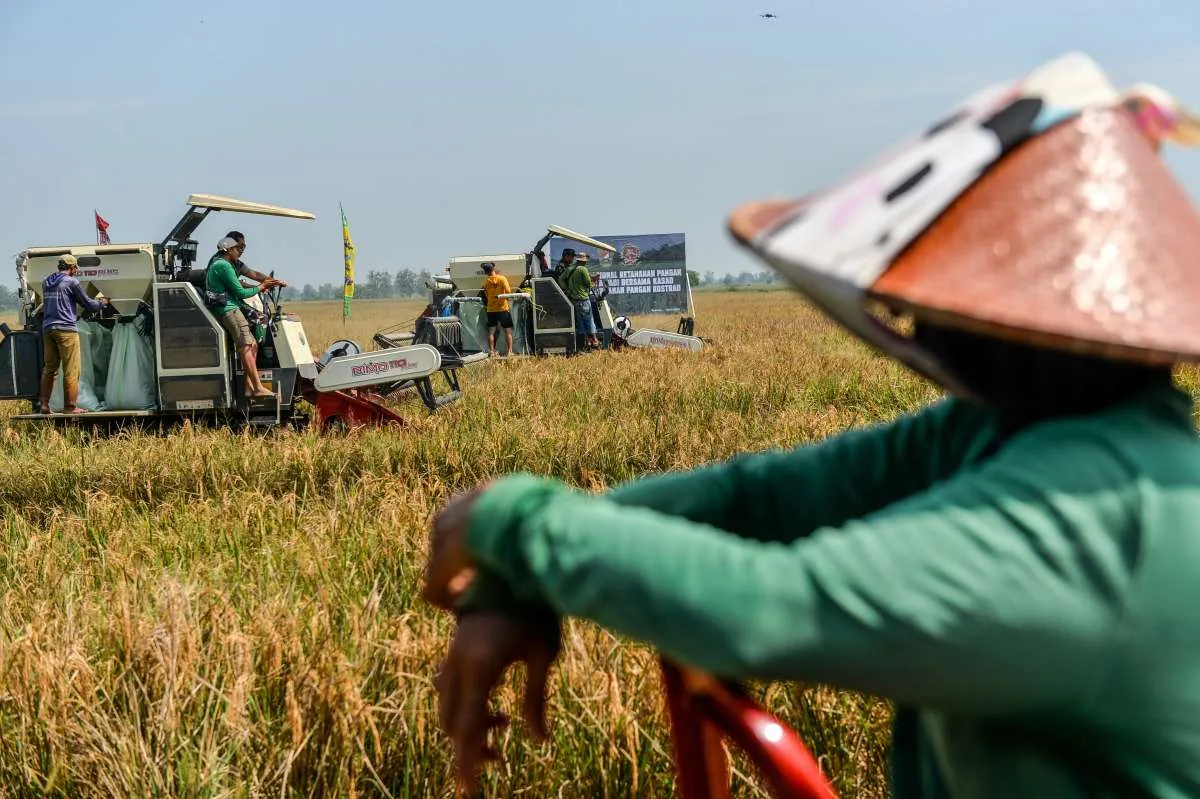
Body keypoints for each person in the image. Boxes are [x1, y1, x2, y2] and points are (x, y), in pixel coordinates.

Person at [419, 55, 1200, 797]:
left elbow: (771, 607)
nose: (916, 319)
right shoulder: (1004, 431)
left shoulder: (1103, 515)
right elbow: (758, 498)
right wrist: (511, 587)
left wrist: (510, 520)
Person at [206, 236, 281, 398]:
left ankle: (249, 387)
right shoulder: (223, 266)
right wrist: (262, 286)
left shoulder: (222, 263)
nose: (240, 252)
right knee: (246, 345)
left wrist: (271, 282)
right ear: (228, 249)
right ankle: (258, 387)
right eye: (238, 248)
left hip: (230, 307)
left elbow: (250, 277)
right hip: (229, 310)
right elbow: (241, 292)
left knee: (252, 344)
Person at [39, 254, 112, 414]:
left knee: (50, 368)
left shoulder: (46, 281)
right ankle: (70, 407)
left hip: (48, 328)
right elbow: (88, 304)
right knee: (72, 370)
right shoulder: (72, 282)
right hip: (66, 329)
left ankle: (44, 405)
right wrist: (103, 303)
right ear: (72, 268)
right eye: (75, 268)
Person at [555, 250, 600, 349]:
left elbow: (560, 279)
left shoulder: (570, 268)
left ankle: (585, 341)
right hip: (583, 299)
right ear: (584, 261)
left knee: (580, 321)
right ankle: (594, 340)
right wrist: (594, 280)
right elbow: (588, 284)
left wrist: (567, 289)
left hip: (574, 299)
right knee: (589, 319)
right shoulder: (583, 269)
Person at [480, 262, 514, 358]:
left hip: (491, 309)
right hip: (503, 308)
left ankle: (492, 351)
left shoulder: (486, 281)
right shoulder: (502, 278)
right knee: (508, 331)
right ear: (493, 269)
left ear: (486, 272)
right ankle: (509, 352)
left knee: (491, 332)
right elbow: (508, 291)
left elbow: (486, 294)